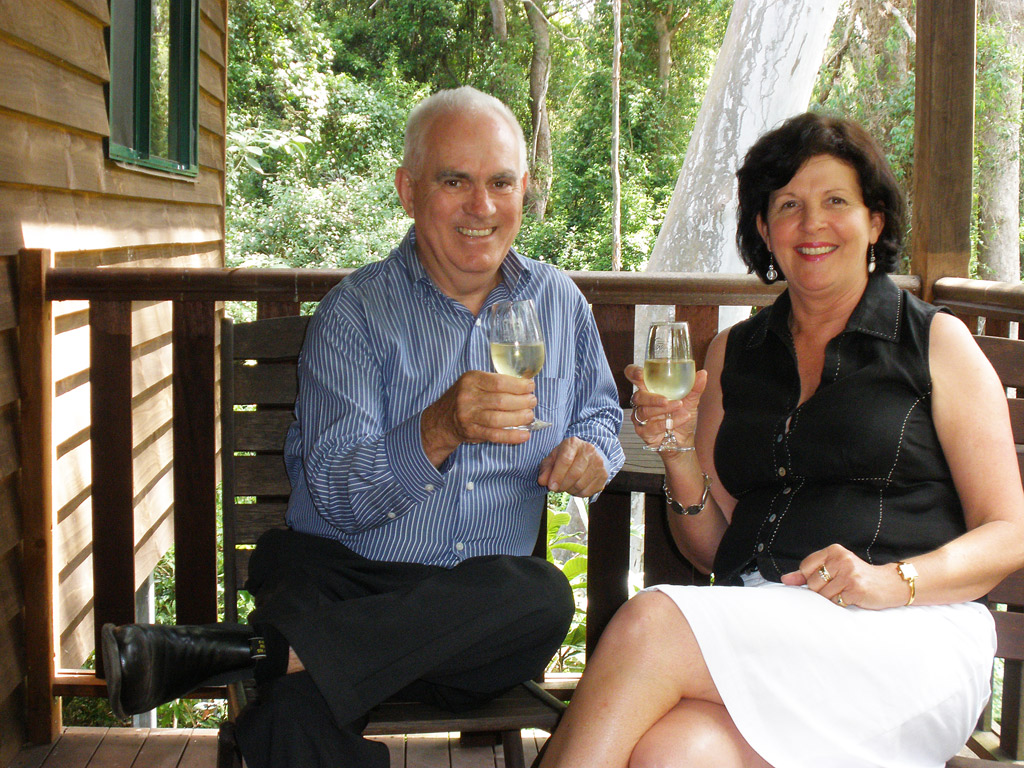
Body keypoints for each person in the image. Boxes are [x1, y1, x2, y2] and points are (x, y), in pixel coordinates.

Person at [100, 86, 625, 768]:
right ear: (408, 191)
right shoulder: (355, 313)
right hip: (345, 582)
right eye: (454, 181)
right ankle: (288, 658)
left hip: (478, 626)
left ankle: (262, 653)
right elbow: (337, 497)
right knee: (292, 718)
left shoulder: (558, 302)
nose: (482, 206)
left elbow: (600, 413)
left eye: (500, 182)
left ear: (524, 189)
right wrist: (438, 428)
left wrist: (596, 452)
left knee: (540, 595)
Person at [535, 112, 1024, 768]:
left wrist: (893, 580)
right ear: (765, 230)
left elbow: (1009, 532)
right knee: (675, 754)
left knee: (652, 620)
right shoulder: (733, 353)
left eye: (836, 201)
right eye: (789, 205)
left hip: (908, 633)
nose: (812, 223)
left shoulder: (935, 342)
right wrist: (677, 450)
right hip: (773, 626)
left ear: (875, 221)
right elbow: (713, 549)